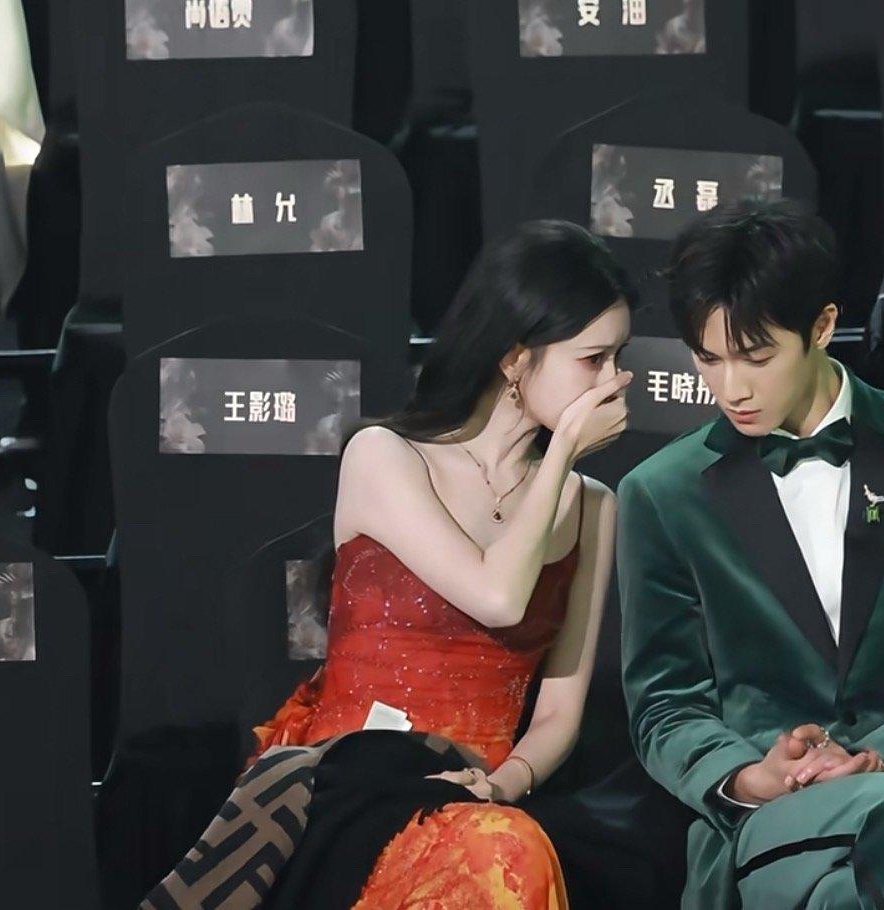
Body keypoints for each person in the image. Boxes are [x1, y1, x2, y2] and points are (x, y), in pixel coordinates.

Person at [143, 219, 634, 910]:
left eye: (619, 357)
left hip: (478, 793)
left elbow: (558, 709)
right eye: (594, 360)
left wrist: (503, 784)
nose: (615, 382)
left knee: (508, 846)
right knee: (502, 852)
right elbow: (497, 597)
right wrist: (563, 454)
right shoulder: (385, 456)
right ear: (515, 359)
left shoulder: (593, 506)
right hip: (352, 780)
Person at [616, 198, 884, 909]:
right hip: (773, 819)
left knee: (880, 844)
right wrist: (749, 777)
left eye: (757, 357)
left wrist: (883, 760)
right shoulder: (663, 494)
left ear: (821, 327)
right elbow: (664, 703)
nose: (731, 388)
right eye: (708, 359)